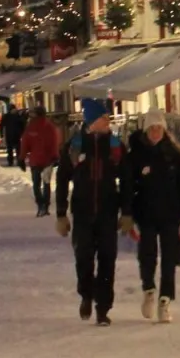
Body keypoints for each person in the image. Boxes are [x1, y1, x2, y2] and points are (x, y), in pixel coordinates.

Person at [57, 100, 127, 325]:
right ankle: (86, 294)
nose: (108, 121)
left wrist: (126, 212)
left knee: (107, 259)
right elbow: (61, 179)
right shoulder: (75, 146)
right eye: (104, 118)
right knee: (83, 258)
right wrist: (60, 214)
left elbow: (126, 180)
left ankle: (103, 308)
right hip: (83, 212)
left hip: (108, 211)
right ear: (92, 121)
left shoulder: (115, 146)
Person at [124, 110, 180, 323]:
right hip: (145, 214)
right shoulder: (135, 155)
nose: (156, 132)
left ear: (164, 130)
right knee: (147, 256)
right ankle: (148, 289)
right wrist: (128, 215)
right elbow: (127, 187)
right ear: (146, 130)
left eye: (159, 128)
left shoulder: (174, 154)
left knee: (169, 258)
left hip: (170, 214)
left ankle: (165, 300)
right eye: (152, 128)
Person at [23, 104, 62, 216]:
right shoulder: (50, 126)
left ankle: (40, 204)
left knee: (36, 184)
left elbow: (25, 142)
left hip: (35, 160)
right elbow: (55, 142)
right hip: (48, 161)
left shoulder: (31, 127)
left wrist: (22, 156)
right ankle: (45, 205)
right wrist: (55, 156)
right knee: (46, 183)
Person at [1, 106, 27, 171]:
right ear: (11, 110)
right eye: (13, 109)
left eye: (15, 109)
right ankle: (10, 161)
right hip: (10, 135)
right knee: (10, 150)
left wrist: (23, 132)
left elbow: (23, 124)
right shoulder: (7, 116)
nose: (14, 110)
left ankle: (18, 161)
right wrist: (1, 134)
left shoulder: (17, 116)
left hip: (16, 135)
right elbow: (1, 125)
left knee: (18, 149)